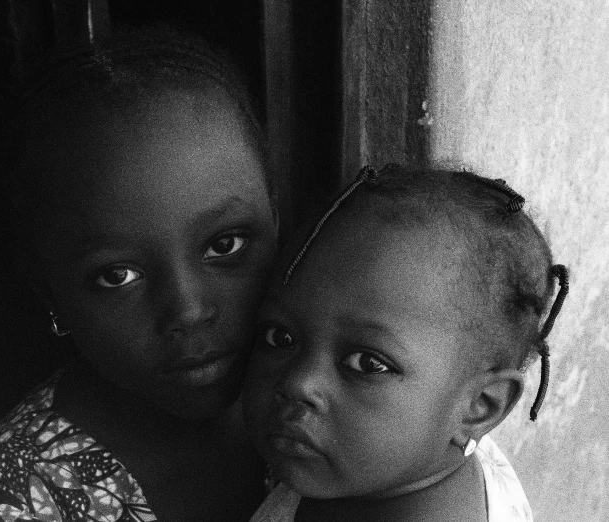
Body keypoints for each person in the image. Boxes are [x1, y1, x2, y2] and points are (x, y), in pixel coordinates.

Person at [0, 28, 278, 522]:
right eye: (117, 275)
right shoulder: (19, 497)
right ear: (48, 290)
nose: (189, 310)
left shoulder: (321, 394)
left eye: (224, 245)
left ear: (276, 217)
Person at [243, 165, 569, 522]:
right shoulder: (411, 458)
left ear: (479, 405)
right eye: (281, 337)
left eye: (368, 363)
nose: (297, 383)